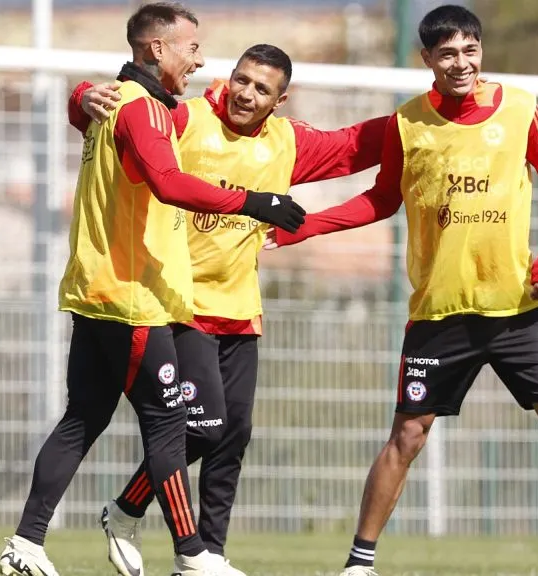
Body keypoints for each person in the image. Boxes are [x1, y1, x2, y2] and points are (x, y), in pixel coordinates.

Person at [263, 5, 538, 576]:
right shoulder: (408, 123)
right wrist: (304, 225)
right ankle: (359, 563)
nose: (461, 63)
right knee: (407, 436)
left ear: (481, 51)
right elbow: (382, 198)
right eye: (447, 53)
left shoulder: (520, 109)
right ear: (428, 59)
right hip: (441, 311)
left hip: (518, 308)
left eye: (470, 50)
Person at [0, 4, 307, 576]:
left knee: (83, 418)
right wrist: (253, 202)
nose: (199, 60)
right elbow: (167, 183)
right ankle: (192, 554)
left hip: (94, 290)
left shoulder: (115, 100)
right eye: (192, 48)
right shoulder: (142, 109)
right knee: (169, 426)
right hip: (133, 297)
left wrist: (79, 96)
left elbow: (90, 115)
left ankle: (26, 543)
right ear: (158, 49)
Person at [68, 43, 388, 576]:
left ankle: (208, 552)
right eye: (242, 79)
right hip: (179, 304)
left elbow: (355, 144)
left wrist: (426, 116)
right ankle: (135, 517)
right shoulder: (184, 118)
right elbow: (116, 121)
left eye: (262, 89)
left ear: (279, 101)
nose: (247, 94)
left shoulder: (287, 143)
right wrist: (81, 96)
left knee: (233, 434)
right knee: (204, 427)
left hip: (240, 308)